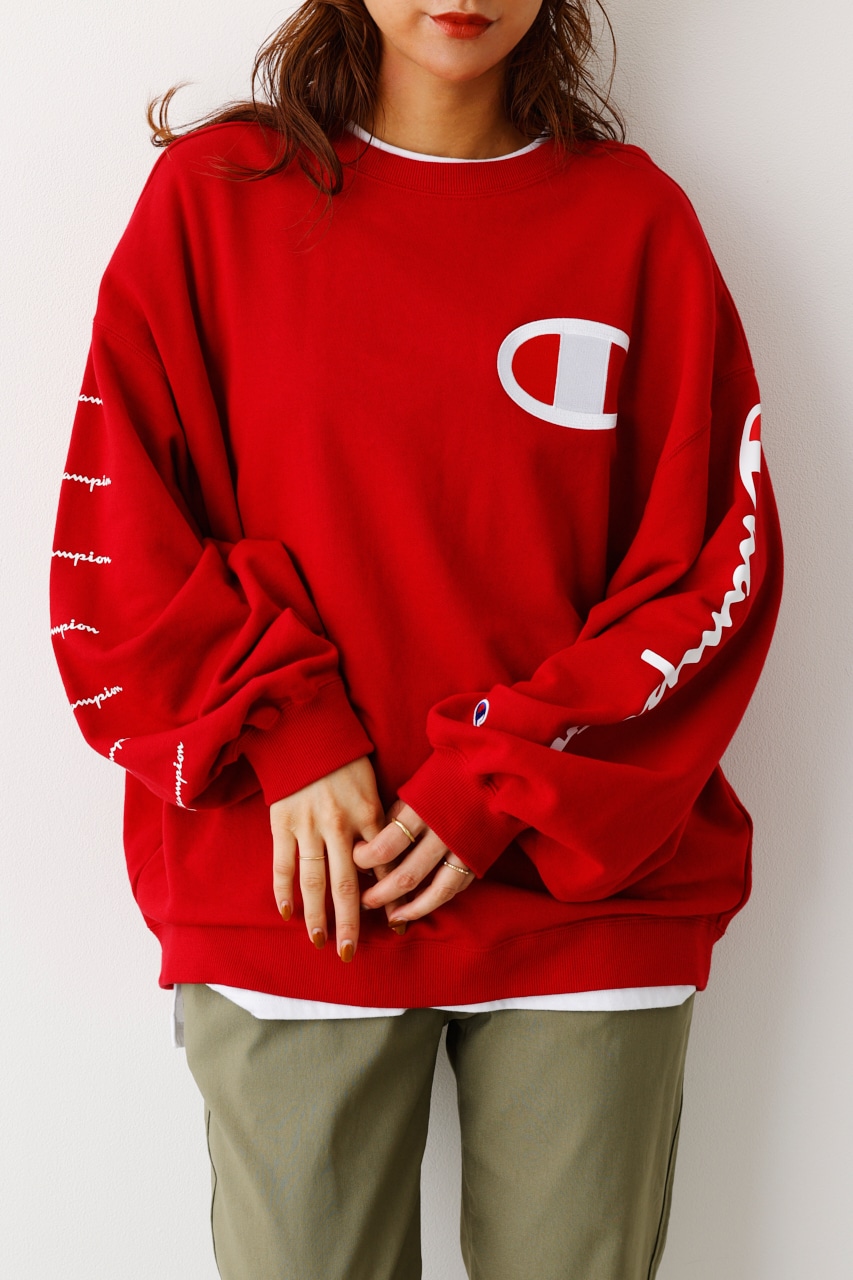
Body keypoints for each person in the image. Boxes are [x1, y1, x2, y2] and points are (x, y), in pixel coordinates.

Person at [48, 2, 784, 1277]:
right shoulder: (216, 202)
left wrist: (499, 774)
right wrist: (288, 726)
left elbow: (712, 567)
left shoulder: (634, 223)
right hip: (294, 894)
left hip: (582, 901)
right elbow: (122, 528)